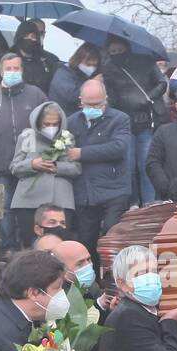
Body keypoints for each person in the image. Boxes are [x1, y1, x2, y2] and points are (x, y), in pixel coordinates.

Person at [0, 53, 47, 250]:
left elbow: (49, 123)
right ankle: (9, 247)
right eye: (9, 69)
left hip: (30, 164)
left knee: (30, 208)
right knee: (5, 208)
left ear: (22, 70)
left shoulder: (36, 95)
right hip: (1, 163)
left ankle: (32, 245)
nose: (13, 72)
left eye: (16, 69)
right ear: (1, 72)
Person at [66, 79, 132, 260]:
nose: (94, 108)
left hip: (114, 189)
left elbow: (119, 148)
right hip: (85, 192)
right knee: (86, 242)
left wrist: (82, 153)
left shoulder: (120, 119)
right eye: (89, 104)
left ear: (106, 100)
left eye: (98, 104)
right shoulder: (71, 122)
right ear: (81, 101)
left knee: (112, 238)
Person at [101, 37, 168, 206]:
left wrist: (147, 98)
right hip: (124, 121)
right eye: (113, 51)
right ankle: (132, 202)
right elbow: (111, 97)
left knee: (146, 164)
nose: (117, 54)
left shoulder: (146, 61)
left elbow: (161, 83)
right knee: (128, 165)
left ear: (127, 47)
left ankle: (149, 201)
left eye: (119, 49)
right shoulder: (108, 69)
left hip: (146, 119)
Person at [9, 103, 80, 248]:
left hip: (60, 199)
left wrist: (57, 167)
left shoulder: (67, 138)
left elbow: (76, 168)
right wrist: (32, 164)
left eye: (55, 124)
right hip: (29, 200)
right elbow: (14, 167)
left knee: (60, 245)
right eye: (47, 124)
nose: (51, 127)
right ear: (38, 122)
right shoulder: (28, 137)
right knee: (31, 244)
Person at [50, 43, 103, 115]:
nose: (91, 68)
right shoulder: (63, 73)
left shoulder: (89, 75)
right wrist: (92, 84)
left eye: (94, 65)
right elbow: (72, 96)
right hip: (63, 117)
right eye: (88, 64)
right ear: (78, 60)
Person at [15, 18, 61, 93]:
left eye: (40, 33)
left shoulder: (51, 60)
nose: (37, 36)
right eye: (29, 34)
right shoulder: (9, 58)